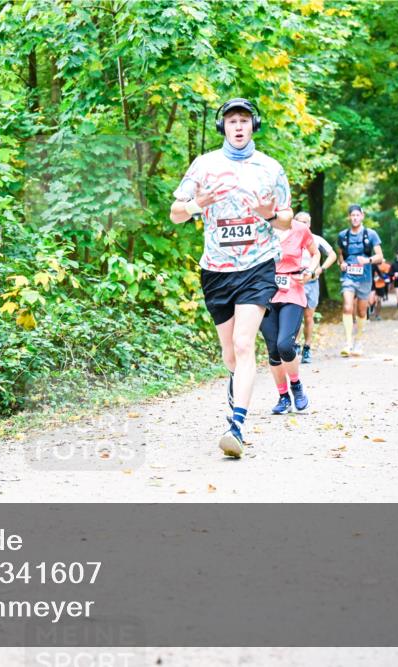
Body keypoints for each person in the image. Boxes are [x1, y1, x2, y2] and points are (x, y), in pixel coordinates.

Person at [170, 97, 293, 458]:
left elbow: (286, 219)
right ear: (222, 126)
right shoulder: (204, 165)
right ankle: (237, 384)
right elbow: (176, 214)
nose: (237, 126)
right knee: (230, 354)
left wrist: (271, 216)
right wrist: (198, 205)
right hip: (217, 270)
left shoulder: (270, 168)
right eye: (231, 121)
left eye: (243, 120)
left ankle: (235, 426)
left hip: (257, 266)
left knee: (244, 344)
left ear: (253, 125)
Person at [260, 214, 320, 414]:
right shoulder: (259, 228)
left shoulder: (300, 229)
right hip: (265, 293)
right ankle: (283, 397)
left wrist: (310, 271)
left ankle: (297, 386)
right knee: (273, 351)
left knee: (284, 345)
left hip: (292, 290)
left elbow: (316, 254)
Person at [336, 204, 383, 356]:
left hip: (365, 276)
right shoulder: (343, 235)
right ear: (349, 217)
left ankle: (359, 341)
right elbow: (340, 255)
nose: (355, 218)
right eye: (352, 215)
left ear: (362, 216)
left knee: (362, 311)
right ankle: (348, 343)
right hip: (348, 276)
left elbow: (380, 257)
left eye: (357, 215)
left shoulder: (371, 234)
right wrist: (342, 263)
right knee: (348, 307)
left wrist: (367, 260)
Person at [293, 211, 336, 363]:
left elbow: (332, 254)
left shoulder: (316, 240)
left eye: (305, 222)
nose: (302, 224)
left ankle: (307, 348)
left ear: (309, 224)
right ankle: (295, 346)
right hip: (295, 282)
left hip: (311, 283)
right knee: (295, 317)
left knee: (308, 317)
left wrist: (321, 269)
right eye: (299, 221)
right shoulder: (291, 239)